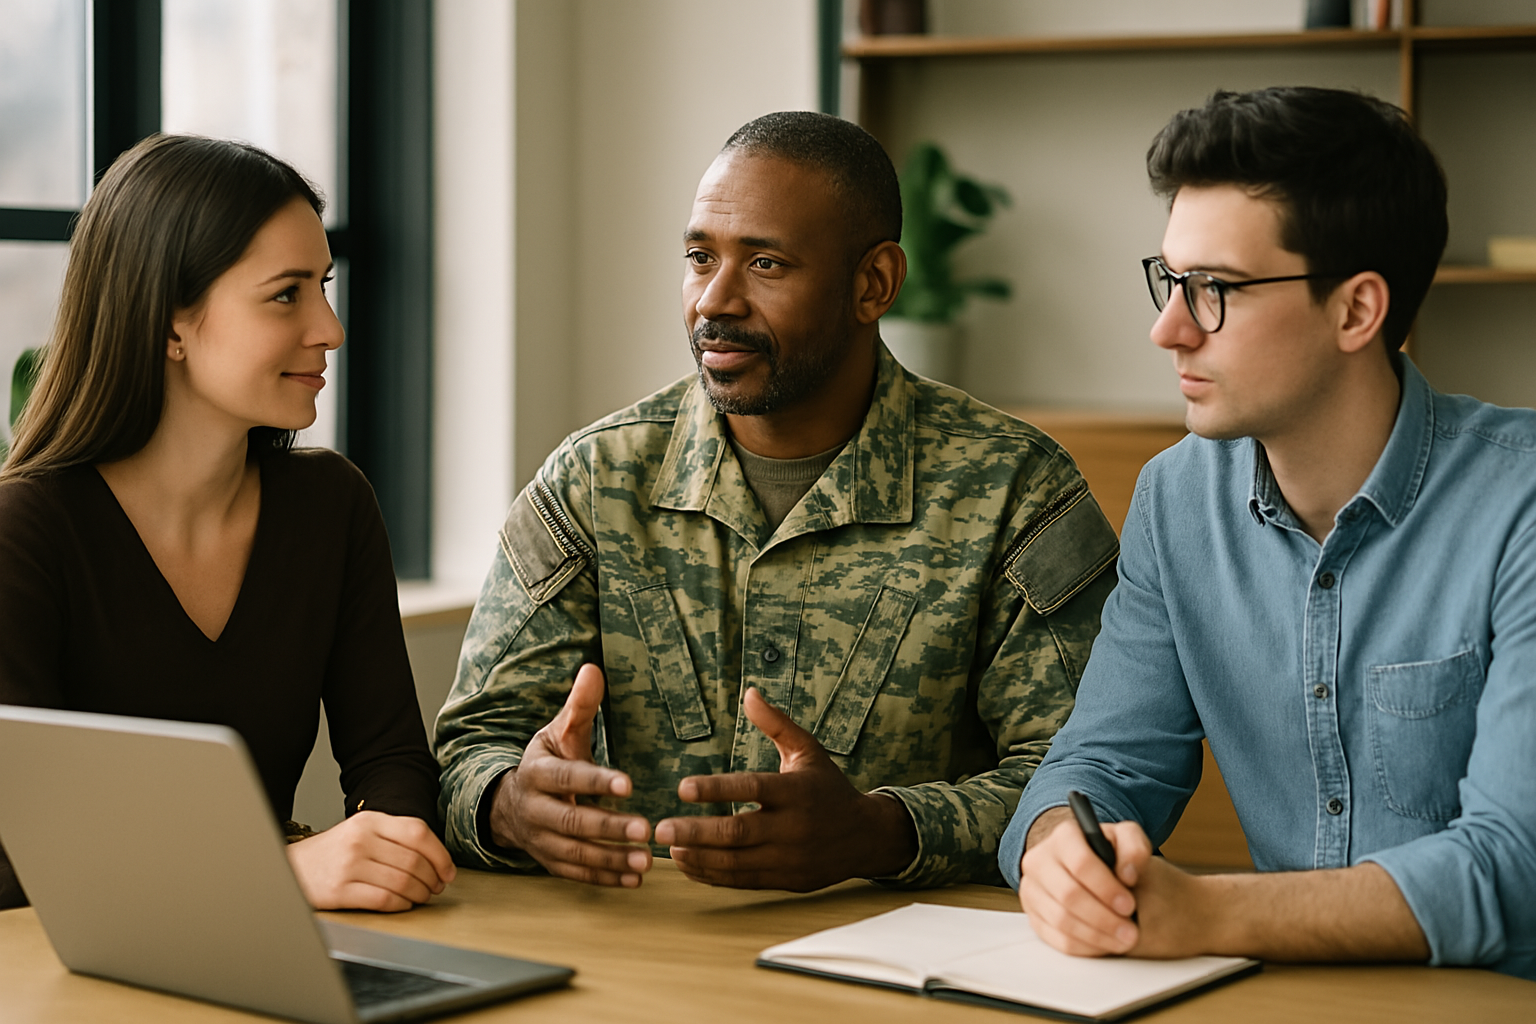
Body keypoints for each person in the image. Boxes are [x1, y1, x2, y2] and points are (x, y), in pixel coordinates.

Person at [434, 111, 1119, 893]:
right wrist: (510, 804)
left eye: (766, 264)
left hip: (900, 965)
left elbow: (1087, 779)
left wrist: (884, 833)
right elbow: (469, 749)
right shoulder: (595, 482)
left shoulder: (1013, 490)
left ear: (874, 284)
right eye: (700, 258)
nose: (714, 302)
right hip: (647, 960)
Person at [1001, 86, 1536, 980]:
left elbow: (1515, 870)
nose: (1167, 328)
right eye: (1171, 280)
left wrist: (1205, 910)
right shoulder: (1175, 500)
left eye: (1214, 290)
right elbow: (1101, 762)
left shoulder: (1520, 502)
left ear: (1357, 311)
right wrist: (1059, 848)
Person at [0, 134, 454, 914]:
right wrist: (280, 874)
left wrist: (385, 849)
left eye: (325, 285)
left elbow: (391, 765)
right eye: (287, 294)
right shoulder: (25, 533)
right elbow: (15, 864)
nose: (331, 329)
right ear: (170, 323)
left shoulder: (331, 505)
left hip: (268, 944)